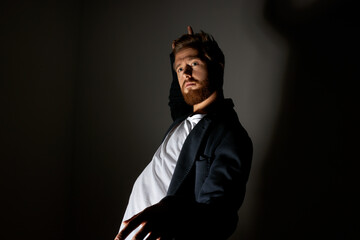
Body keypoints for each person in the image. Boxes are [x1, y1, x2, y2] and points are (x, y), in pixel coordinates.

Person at [115, 26, 253, 240]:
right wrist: (178, 54)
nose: (185, 73)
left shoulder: (230, 135)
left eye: (194, 64)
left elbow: (219, 215)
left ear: (218, 66)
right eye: (179, 69)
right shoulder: (182, 120)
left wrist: (172, 213)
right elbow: (178, 92)